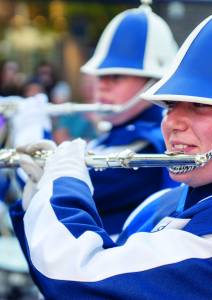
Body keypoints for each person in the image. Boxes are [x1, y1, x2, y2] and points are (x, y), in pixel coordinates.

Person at [9, 1, 212, 299]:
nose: (171, 122)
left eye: (199, 105)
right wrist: (37, 192)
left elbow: (73, 274)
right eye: (170, 105)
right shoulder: (166, 201)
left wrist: (63, 183)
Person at [78, 1, 179, 234]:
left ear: (154, 81)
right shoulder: (115, 134)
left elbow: (64, 197)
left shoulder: (150, 145)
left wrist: (33, 135)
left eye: (115, 76)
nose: (101, 85)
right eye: (100, 75)